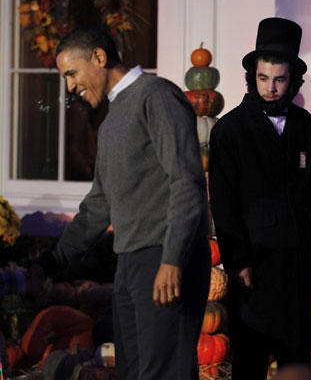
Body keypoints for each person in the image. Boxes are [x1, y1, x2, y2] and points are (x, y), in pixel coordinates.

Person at [39, 27, 211, 380]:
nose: (69, 86)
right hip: (130, 264)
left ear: (99, 57)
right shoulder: (110, 122)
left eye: (71, 73)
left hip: (165, 260)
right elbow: (98, 205)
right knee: (133, 374)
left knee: (164, 373)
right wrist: (51, 262)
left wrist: (171, 259)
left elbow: (187, 181)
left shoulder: (157, 96)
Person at [209, 17, 311, 380]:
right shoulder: (229, 130)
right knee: (251, 355)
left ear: (292, 79)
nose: (271, 88)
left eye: (279, 79)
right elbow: (223, 201)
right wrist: (238, 261)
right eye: (263, 78)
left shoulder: (306, 126)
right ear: (253, 77)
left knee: (297, 352)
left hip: (296, 259)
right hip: (256, 262)